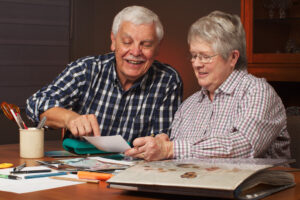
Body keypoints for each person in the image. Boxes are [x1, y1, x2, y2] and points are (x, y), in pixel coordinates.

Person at [125, 10, 291, 161]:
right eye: (193, 55)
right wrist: (161, 145)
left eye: (205, 56)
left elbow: (246, 146)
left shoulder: (257, 92)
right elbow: (176, 156)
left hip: (257, 191)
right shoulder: (188, 106)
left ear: (232, 57)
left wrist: (170, 149)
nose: (196, 64)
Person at [26, 5, 182, 144]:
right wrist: (70, 118)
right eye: (127, 42)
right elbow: (36, 104)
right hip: (79, 165)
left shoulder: (168, 80)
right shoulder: (86, 69)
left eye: (146, 44)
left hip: (136, 169)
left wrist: (159, 144)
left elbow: (163, 138)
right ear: (113, 41)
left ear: (157, 47)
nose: (135, 52)